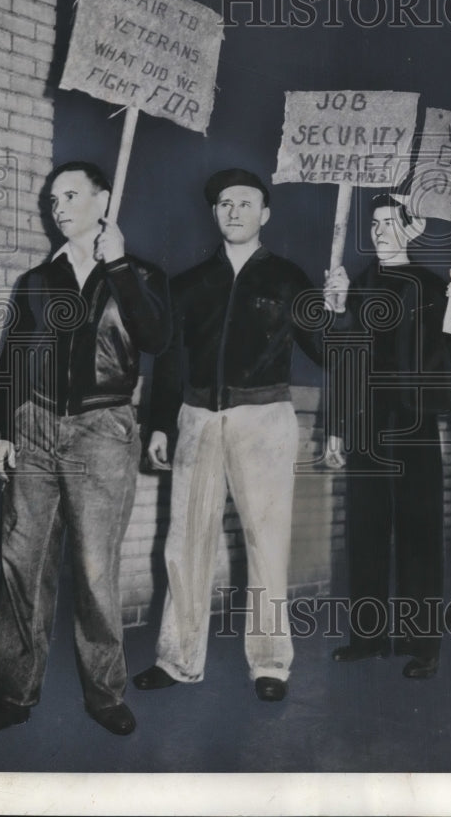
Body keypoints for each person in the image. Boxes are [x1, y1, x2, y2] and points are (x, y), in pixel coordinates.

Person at [0, 161, 171, 737]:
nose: (56, 207)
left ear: (102, 200)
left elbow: (157, 338)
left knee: (95, 570)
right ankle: (13, 693)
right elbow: (12, 360)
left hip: (103, 429)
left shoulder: (139, 274)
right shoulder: (38, 280)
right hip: (34, 426)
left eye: (69, 195)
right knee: (22, 565)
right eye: (51, 198)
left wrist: (117, 264)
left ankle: (106, 693)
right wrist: (2, 431)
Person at [133, 168, 326, 703]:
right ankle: (177, 659)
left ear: (265, 214)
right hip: (196, 420)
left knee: (267, 543)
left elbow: (328, 350)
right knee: (184, 544)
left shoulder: (289, 279)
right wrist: (157, 424)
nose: (234, 211)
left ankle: (270, 663)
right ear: (215, 214)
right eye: (224, 203)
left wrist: (336, 309)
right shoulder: (189, 283)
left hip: (264, 421)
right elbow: (171, 359)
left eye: (245, 203)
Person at [324, 193, 451, 679]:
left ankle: (422, 644)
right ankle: (368, 637)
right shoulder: (357, 284)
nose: (377, 231)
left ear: (411, 229)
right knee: (366, 530)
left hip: (414, 425)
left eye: (389, 222)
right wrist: (335, 425)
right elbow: (343, 359)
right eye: (372, 224)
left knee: (418, 532)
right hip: (368, 424)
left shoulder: (437, 286)